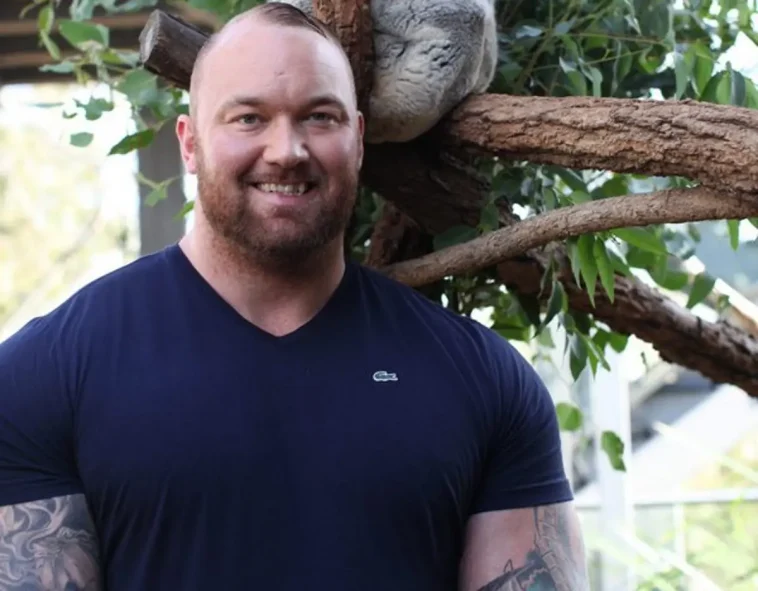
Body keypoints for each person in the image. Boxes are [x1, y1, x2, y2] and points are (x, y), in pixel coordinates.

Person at [0, 3, 589, 590]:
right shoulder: (44, 377)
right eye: (248, 118)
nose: (286, 150)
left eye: (320, 117)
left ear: (358, 141)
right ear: (190, 143)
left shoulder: (485, 381)